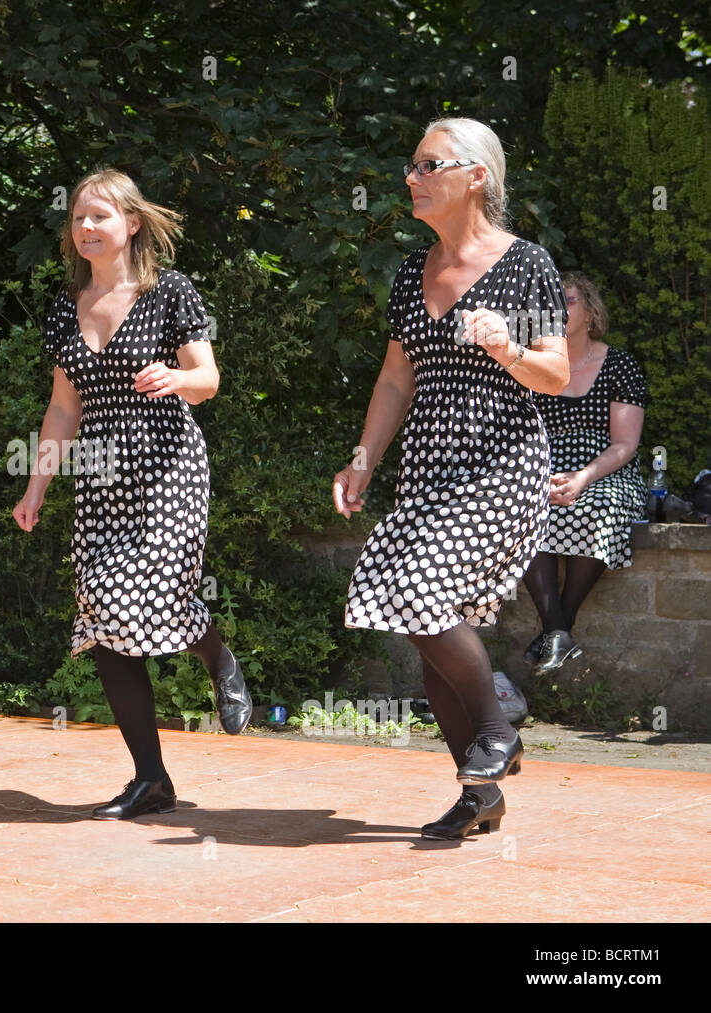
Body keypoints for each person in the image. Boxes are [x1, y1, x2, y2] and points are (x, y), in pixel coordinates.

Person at [333, 119, 570, 840]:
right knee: (428, 620)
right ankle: (479, 795)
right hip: (429, 468)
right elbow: (396, 379)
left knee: (418, 589)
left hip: (501, 465)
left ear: (476, 177)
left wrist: (508, 347)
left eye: (427, 164)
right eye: (411, 165)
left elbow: (555, 374)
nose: (412, 176)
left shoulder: (526, 264)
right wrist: (364, 458)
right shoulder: (413, 271)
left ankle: (498, 731)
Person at [13, 168, 253, 822]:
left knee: (150, 589)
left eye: (100, 216)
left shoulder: (169, 291)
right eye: (78, 218)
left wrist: (176, 376)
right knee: (103, 618)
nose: (86, 228)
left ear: (131, 222)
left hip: (169, 464)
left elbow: (209, 379)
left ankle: (217, 653)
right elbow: (64, 407)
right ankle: (151, 778)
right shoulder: (68, 307)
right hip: (99, 476)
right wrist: (37, 485)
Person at [522, 274, 647, 673]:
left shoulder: (619, 365)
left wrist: (582, 477)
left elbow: (625, 445)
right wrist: (539, 475)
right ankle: (559, 632)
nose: (558, 308)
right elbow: (518, 432)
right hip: (544, 466)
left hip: (606, 468)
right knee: (519, 507)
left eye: (569, 300)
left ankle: (558, 627)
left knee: (599, 507)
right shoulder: (533, 365)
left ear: (591, 313)